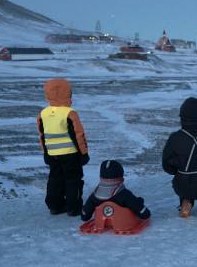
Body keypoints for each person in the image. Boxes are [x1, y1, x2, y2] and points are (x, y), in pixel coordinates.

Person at [37, 78, 89, 216]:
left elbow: (42, 136)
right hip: (71, 154)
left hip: (53, 155)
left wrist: (46, 154)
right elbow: (78, 135)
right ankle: (73, 208)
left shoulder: (43, 114)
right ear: (67, 93)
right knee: (73, 180)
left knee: (55, 179)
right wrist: (84, 154)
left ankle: (55, 206)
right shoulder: (70, 113)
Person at [81, 160, 151, 221]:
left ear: (100, 177)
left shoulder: (95, 195)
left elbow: (84, 217)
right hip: (123, 222)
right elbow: (145, 214)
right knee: (137, 202)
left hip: (102, 223)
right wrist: (139, 202)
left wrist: (85, 211)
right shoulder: (125, 195)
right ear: (121, 178)